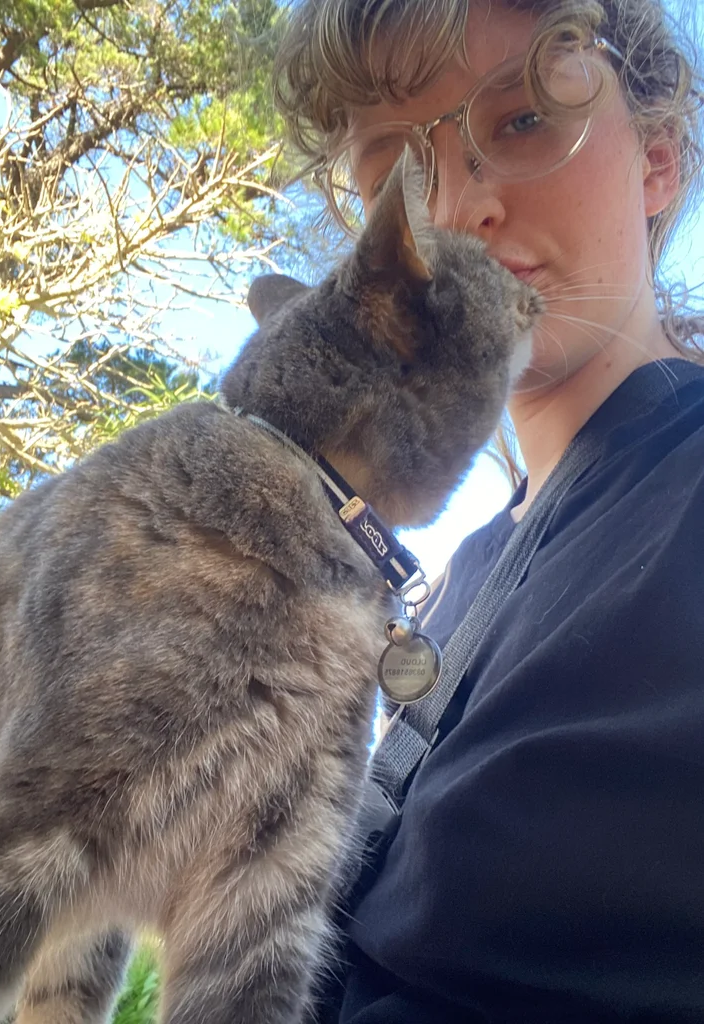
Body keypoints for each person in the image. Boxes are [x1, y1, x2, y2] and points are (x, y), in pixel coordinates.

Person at [273, 0, 704, 1021]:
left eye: (522, 119)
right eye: (396, 178)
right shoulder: (445, 581)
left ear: (656, 160)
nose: (456, 208)